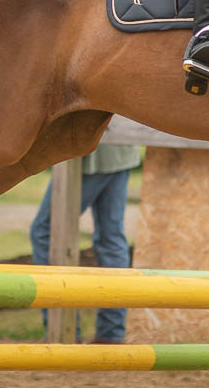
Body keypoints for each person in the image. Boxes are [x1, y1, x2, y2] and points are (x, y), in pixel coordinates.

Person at [29, 143, 141, 344]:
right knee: (111, 238)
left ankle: (64, 331)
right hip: (121, 151)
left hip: (90, 155)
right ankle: (111, 333)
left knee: (45, 232)